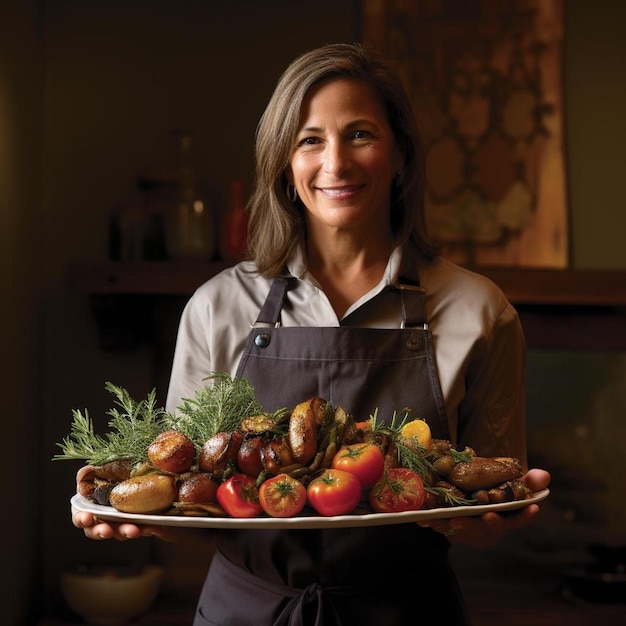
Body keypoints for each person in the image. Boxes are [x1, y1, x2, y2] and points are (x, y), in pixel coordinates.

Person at [73, 42, 551, 625]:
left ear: (400, 153)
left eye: (360, 134)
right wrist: (132, 515)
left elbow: (487, 514)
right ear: (284, 162)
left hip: (404, 610)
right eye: (309, 140)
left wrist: (487, 521)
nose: (335, 164)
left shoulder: (479, 310)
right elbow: (188, 504)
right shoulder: (218, 307)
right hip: (246, 610)